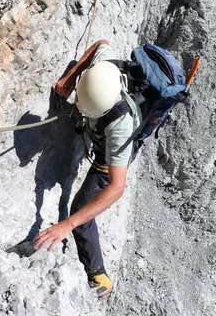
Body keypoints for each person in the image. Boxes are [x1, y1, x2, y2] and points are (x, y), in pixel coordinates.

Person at [34, 40, 142, 297]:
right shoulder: (104, 69)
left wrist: (68, 224)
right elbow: (102, 44)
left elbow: (117, 187)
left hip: (110, 157)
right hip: (100, 123)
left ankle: (100, 277)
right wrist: (71, 80)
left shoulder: (120, 128)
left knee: (81, 213)